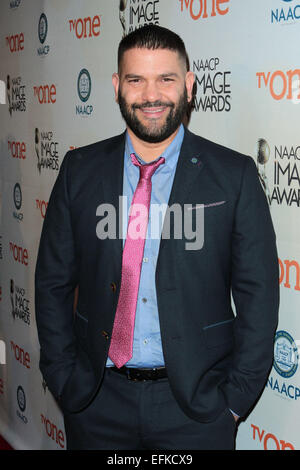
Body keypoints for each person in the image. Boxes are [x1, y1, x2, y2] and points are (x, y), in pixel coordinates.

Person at [35, 25, 279, 450]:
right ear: (116, 86)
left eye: (165, 79)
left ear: (188, 85)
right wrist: (62, 376)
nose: (151, 95)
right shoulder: (79, 172)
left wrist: (233, 402)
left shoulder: (233, 177)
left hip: (197, 411)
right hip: (95, 402)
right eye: (136, 80)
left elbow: (259, 295)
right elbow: (52, 283)